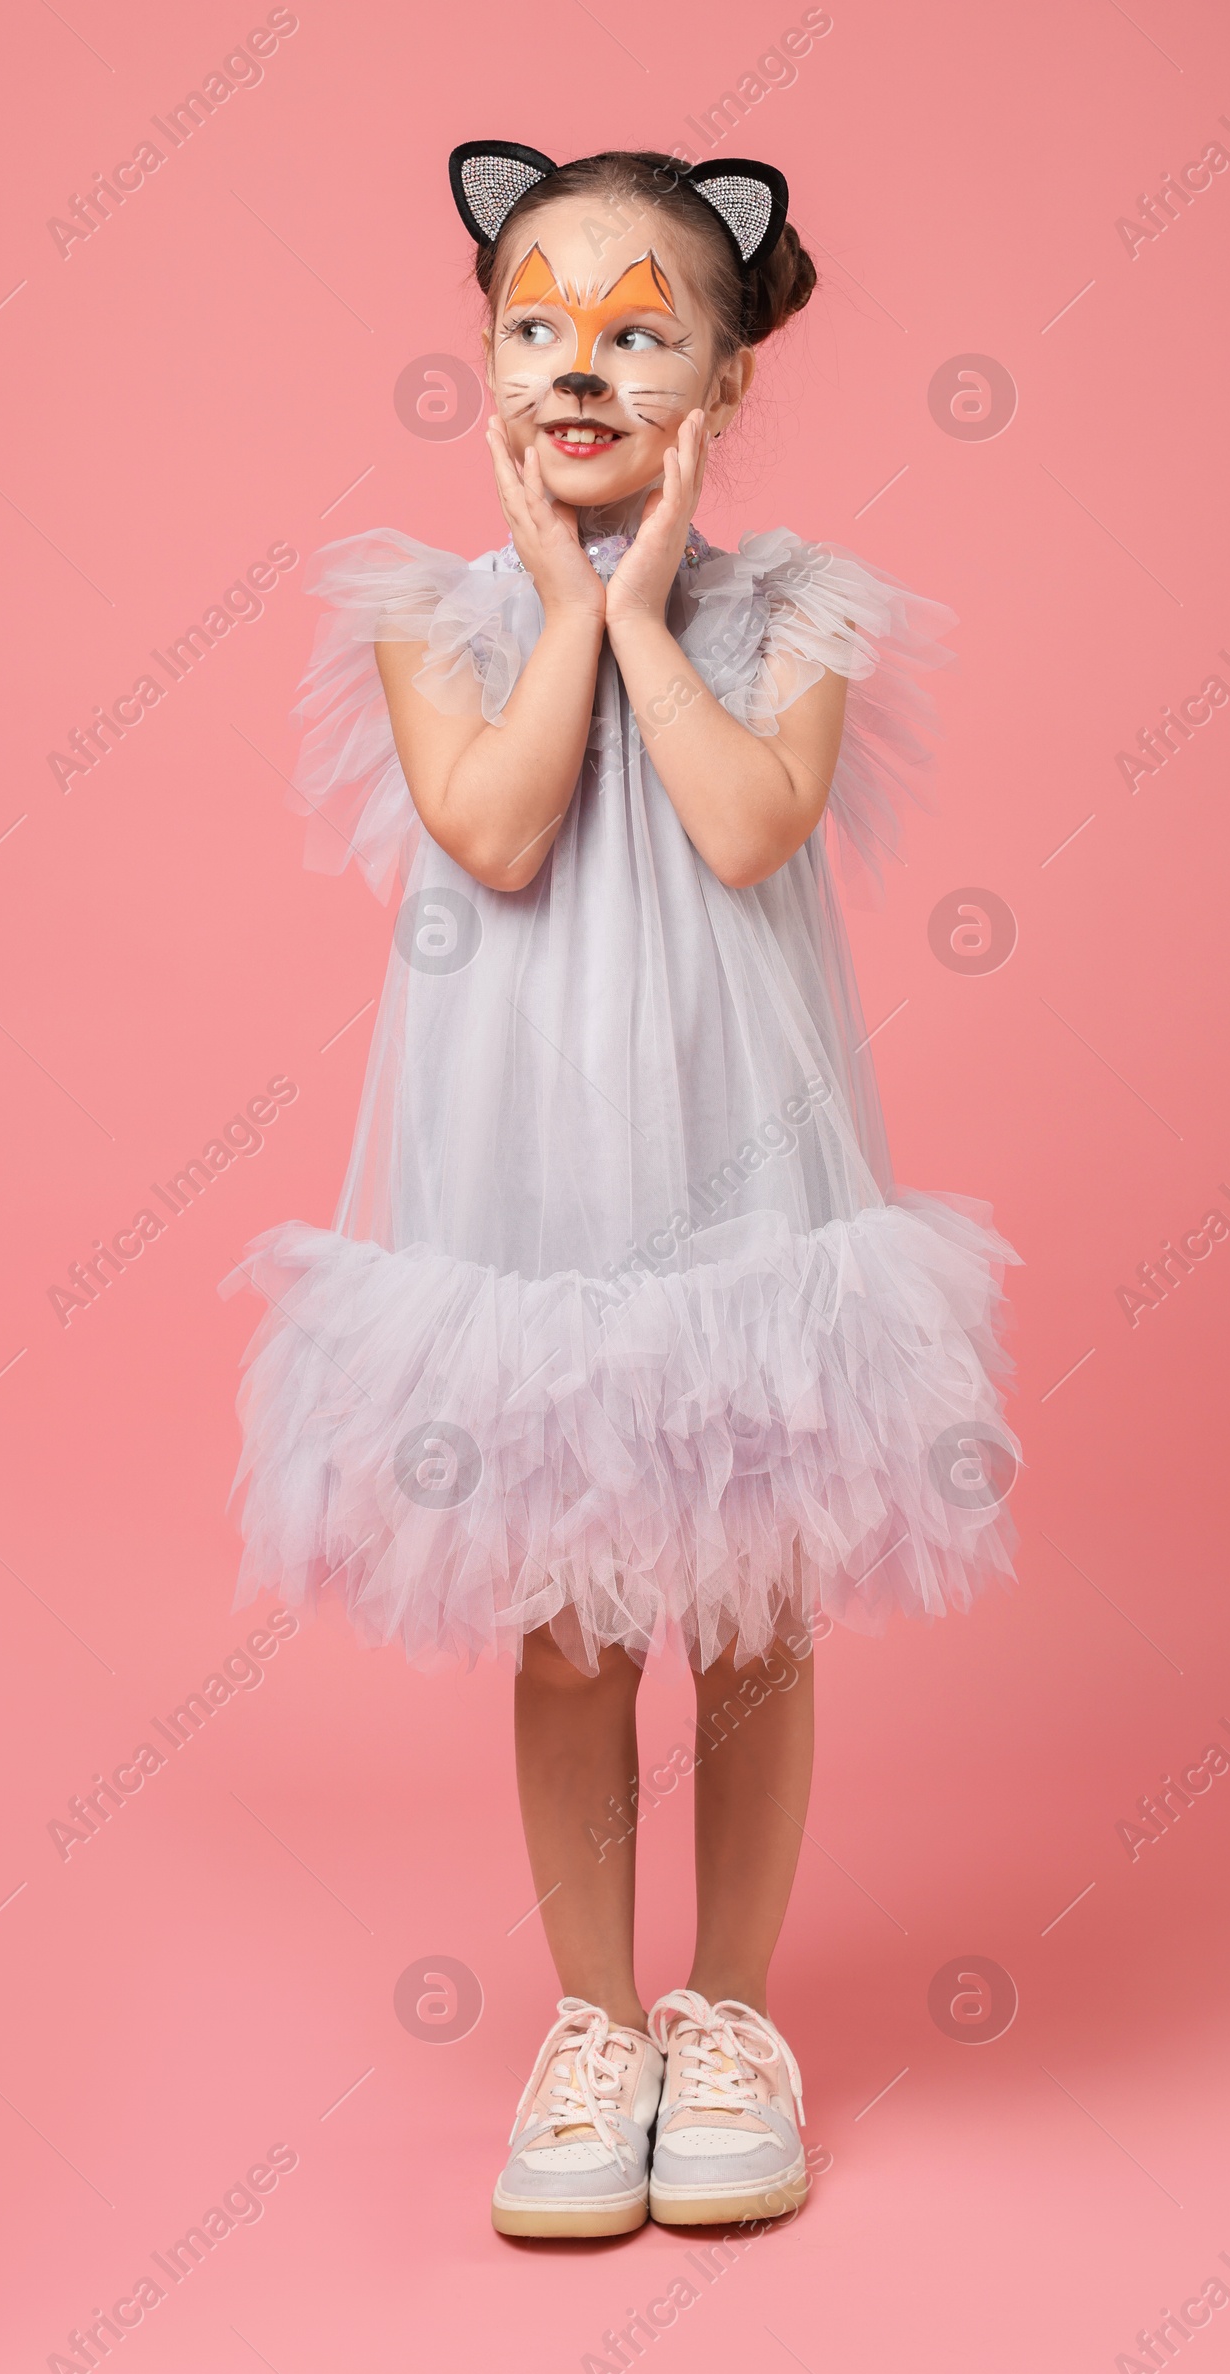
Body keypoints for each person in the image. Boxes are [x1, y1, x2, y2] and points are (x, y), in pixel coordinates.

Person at [225, 142, 1018, 2239]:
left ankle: (725, 2010)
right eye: (531, 324)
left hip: (736, 1167)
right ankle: (593, 2021)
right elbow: (490, 831)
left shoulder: (797, 609)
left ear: (724, 377)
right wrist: (569, 601)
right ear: (482, 355)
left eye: (635, 332)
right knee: (571, 1628)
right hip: (532, 1192)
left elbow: (750, 826)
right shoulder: (425, 611)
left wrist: (650, 605)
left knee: (751, 1602)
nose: (575, 367)